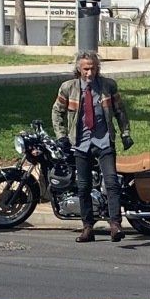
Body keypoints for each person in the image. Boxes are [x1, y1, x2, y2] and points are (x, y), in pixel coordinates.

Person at [51, 51, 133, 243]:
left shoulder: (108, 86)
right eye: (86, 69)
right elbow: (57, 112)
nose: (90, 73)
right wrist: (62, 136)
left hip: (104, 141)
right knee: (83, 186)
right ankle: (87, 227)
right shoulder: (68, 88)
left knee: (112, 183)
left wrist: (125, 133)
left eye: (93, 68)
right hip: (81, 143)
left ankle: (115, 224)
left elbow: (120, 111)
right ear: (79, 69)